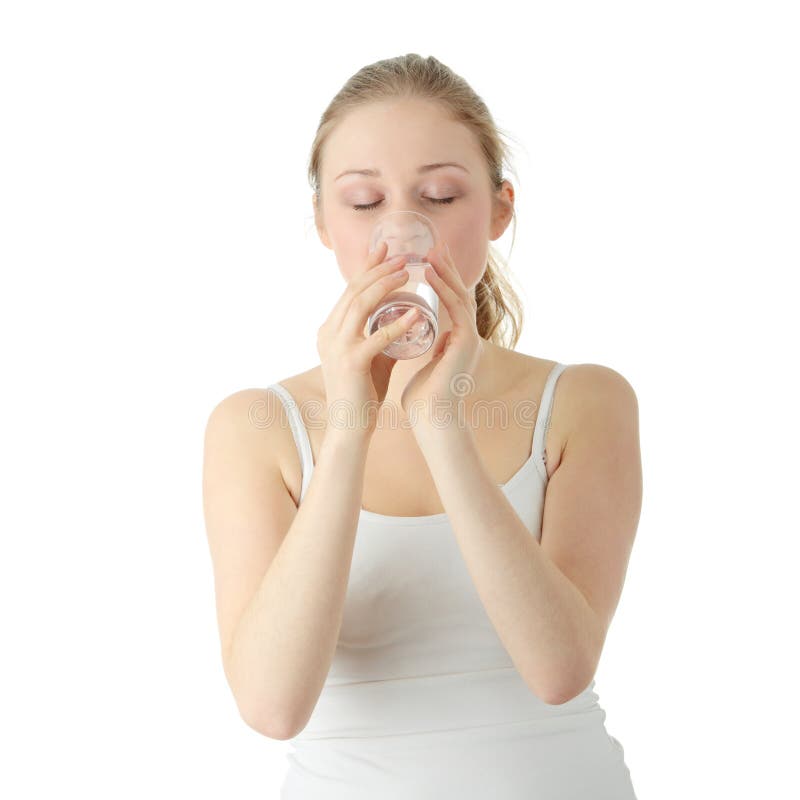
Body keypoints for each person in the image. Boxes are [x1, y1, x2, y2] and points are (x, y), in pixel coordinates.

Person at [202, 53, 642, 799]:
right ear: (322, 223)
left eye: (440, 195)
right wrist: (348, 427)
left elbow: (560, 670)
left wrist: (441, 425)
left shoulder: (584, 402)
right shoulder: (257, 427)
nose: (402, 235)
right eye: (364, 202)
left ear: (500, 209)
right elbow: (272, 706)